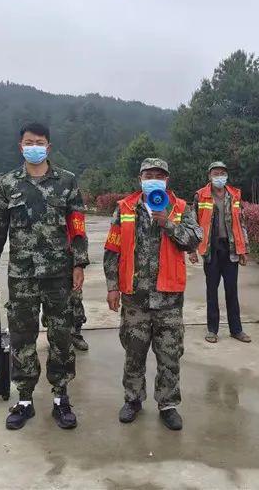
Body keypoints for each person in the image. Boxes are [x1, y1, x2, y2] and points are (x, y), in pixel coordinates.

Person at [0, 122, 89, 431]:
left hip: (59, 275)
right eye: (29, 142)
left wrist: (79, 264)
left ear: (48, 147)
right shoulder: (8, 184)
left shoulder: (66, 182)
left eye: (39, 142)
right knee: (22, 337)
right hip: (22, 275)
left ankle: (61, 398)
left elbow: (77, 226)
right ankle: (24, 399)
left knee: (61, 336)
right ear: (21, 146)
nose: (34, 147)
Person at [104, 158, 202, 431]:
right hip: (134, 297)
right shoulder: (125, 208)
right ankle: (133, 399)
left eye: (159, 175)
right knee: (134, 353)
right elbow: (112, 249)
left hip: (169, 299)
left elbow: (194, 240)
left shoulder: (180, 207)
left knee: (170, 354)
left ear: (167, 180)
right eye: (149, 175)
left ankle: (168, 404)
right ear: (140, 179)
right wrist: (112, 286)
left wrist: (168, 224)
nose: (154, 179)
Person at [188, 161, 250, 344]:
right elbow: (193, 224)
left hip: (230, 249)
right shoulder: (201, 196)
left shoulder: (234, 195)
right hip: (211, 250)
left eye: (222, 173)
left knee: (232, 290)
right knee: (211, 291)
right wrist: (192, 249)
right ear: (209, 176)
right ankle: (212, 330)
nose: (219, 176)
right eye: (216, 173)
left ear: (227, 175)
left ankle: (236, 330)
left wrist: (244, 250)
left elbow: (241, 223)